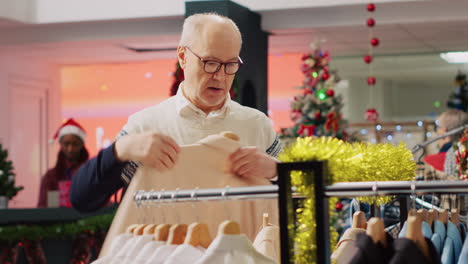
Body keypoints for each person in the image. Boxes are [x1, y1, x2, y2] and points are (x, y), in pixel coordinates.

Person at [70, 13, 282, 213]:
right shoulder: (147, 126)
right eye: (210, 63)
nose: (220, 76)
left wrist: (275, 170)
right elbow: (82, 199)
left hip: (243, 250)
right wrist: (122, 148)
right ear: (183, 56)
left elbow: (303, 195)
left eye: (230, 64)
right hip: (165, 249)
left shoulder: (256, 124)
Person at [38, 118, 89, 208]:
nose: (70, 149)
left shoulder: (90, 172)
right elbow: (42, 207)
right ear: (60, 144)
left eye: (75, 144)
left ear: (82, 144)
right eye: (66, 144)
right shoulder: (50, 176)